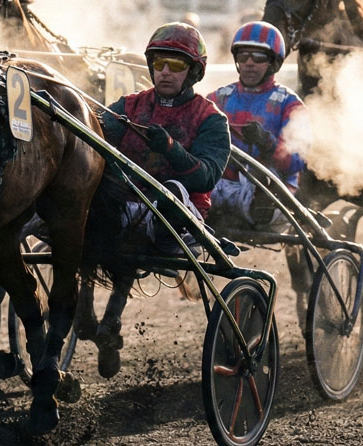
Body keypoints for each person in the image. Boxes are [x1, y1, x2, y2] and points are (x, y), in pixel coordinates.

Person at [80, 21, 231, 378]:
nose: (165, 72)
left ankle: (110, 319)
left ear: (193, 71)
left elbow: (205, 176)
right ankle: (97, 320)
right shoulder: (128, 106)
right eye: (160, 63)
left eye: (176, 65)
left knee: (168, 195)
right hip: (126, 206)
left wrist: (170, 149)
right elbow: (94, 137)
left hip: (177, 214)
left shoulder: (211, 119)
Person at [206, 21, 309, 226]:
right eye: (243, 56)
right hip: (219, 187)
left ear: (274, 62)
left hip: (268, 192)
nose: (249, 63)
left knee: (262, 180)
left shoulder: (291, 105)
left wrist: (267, 143)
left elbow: (298, 161)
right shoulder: (217, 99)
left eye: (259, 57)